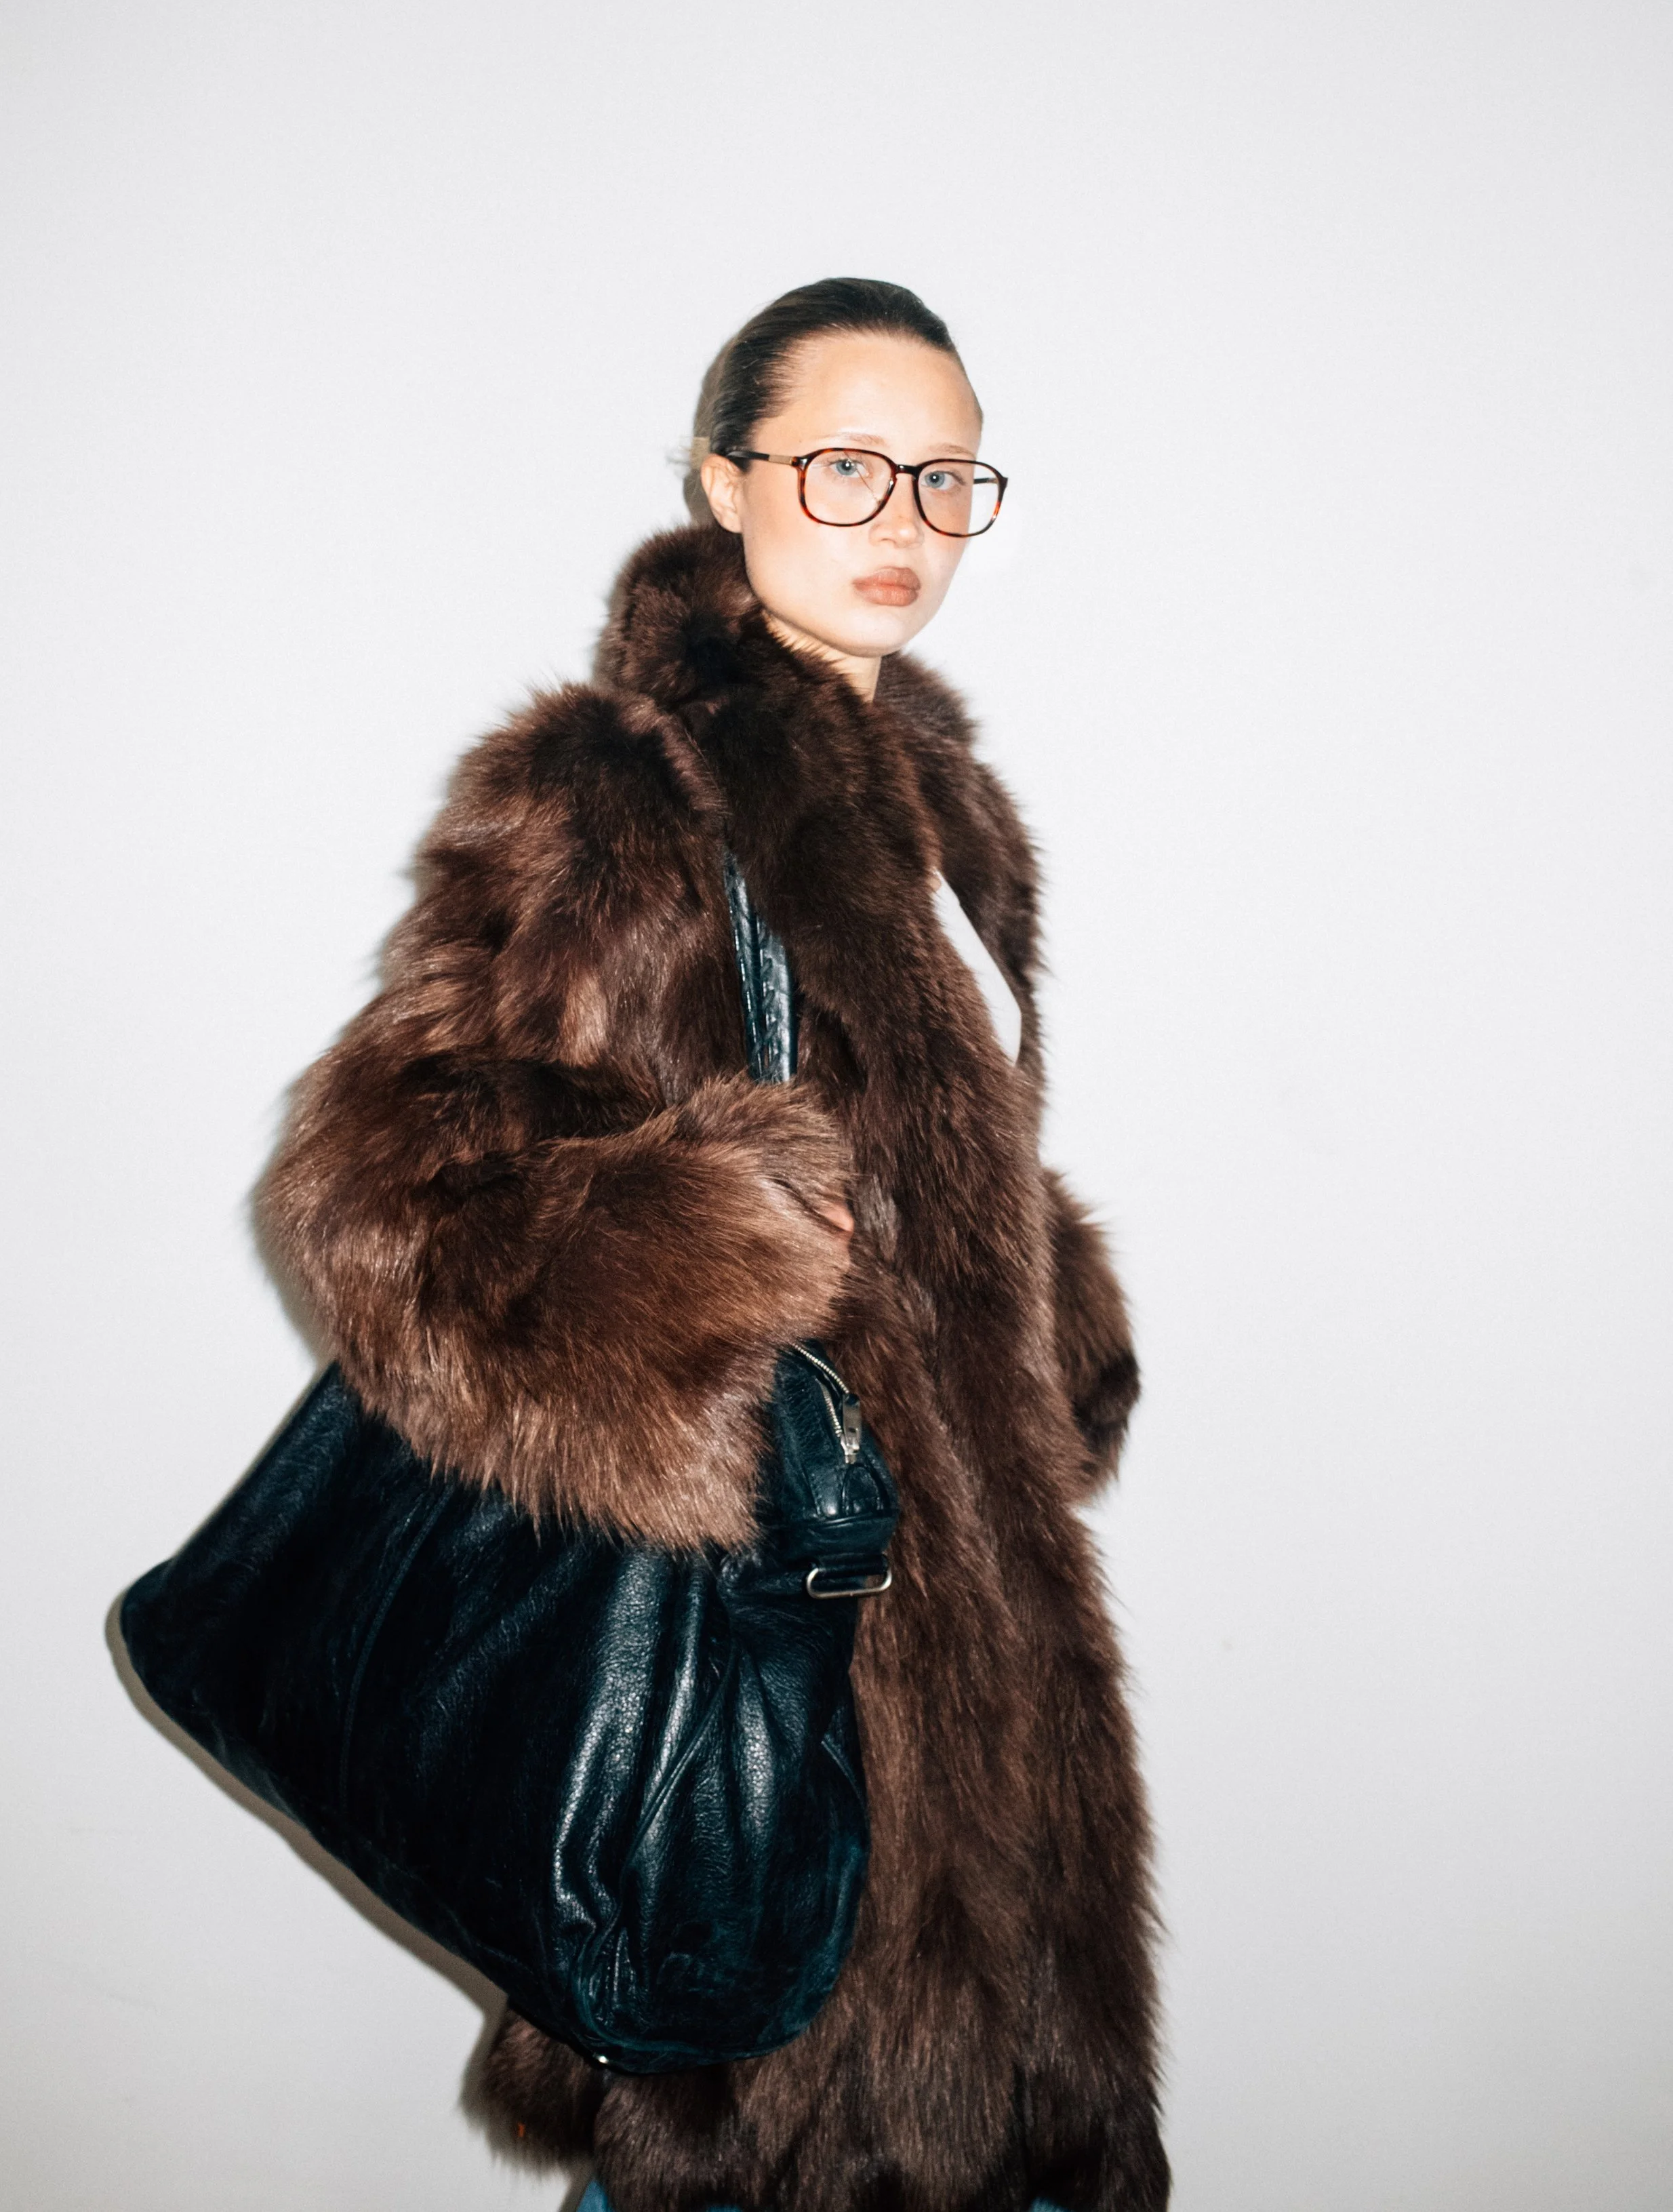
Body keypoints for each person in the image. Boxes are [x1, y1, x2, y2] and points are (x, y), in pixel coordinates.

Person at [259, 278, 1169, 2212]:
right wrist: (717, 1237)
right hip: (772, 1676)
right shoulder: (614, 790)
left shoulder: (947, 815)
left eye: (946, 474)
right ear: (723, 476)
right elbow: (373, 1183)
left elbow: (941, 1179)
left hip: (979, 1648)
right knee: (757, 2129)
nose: (903, 518)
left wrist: (1039, 1316)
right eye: (848, 464)